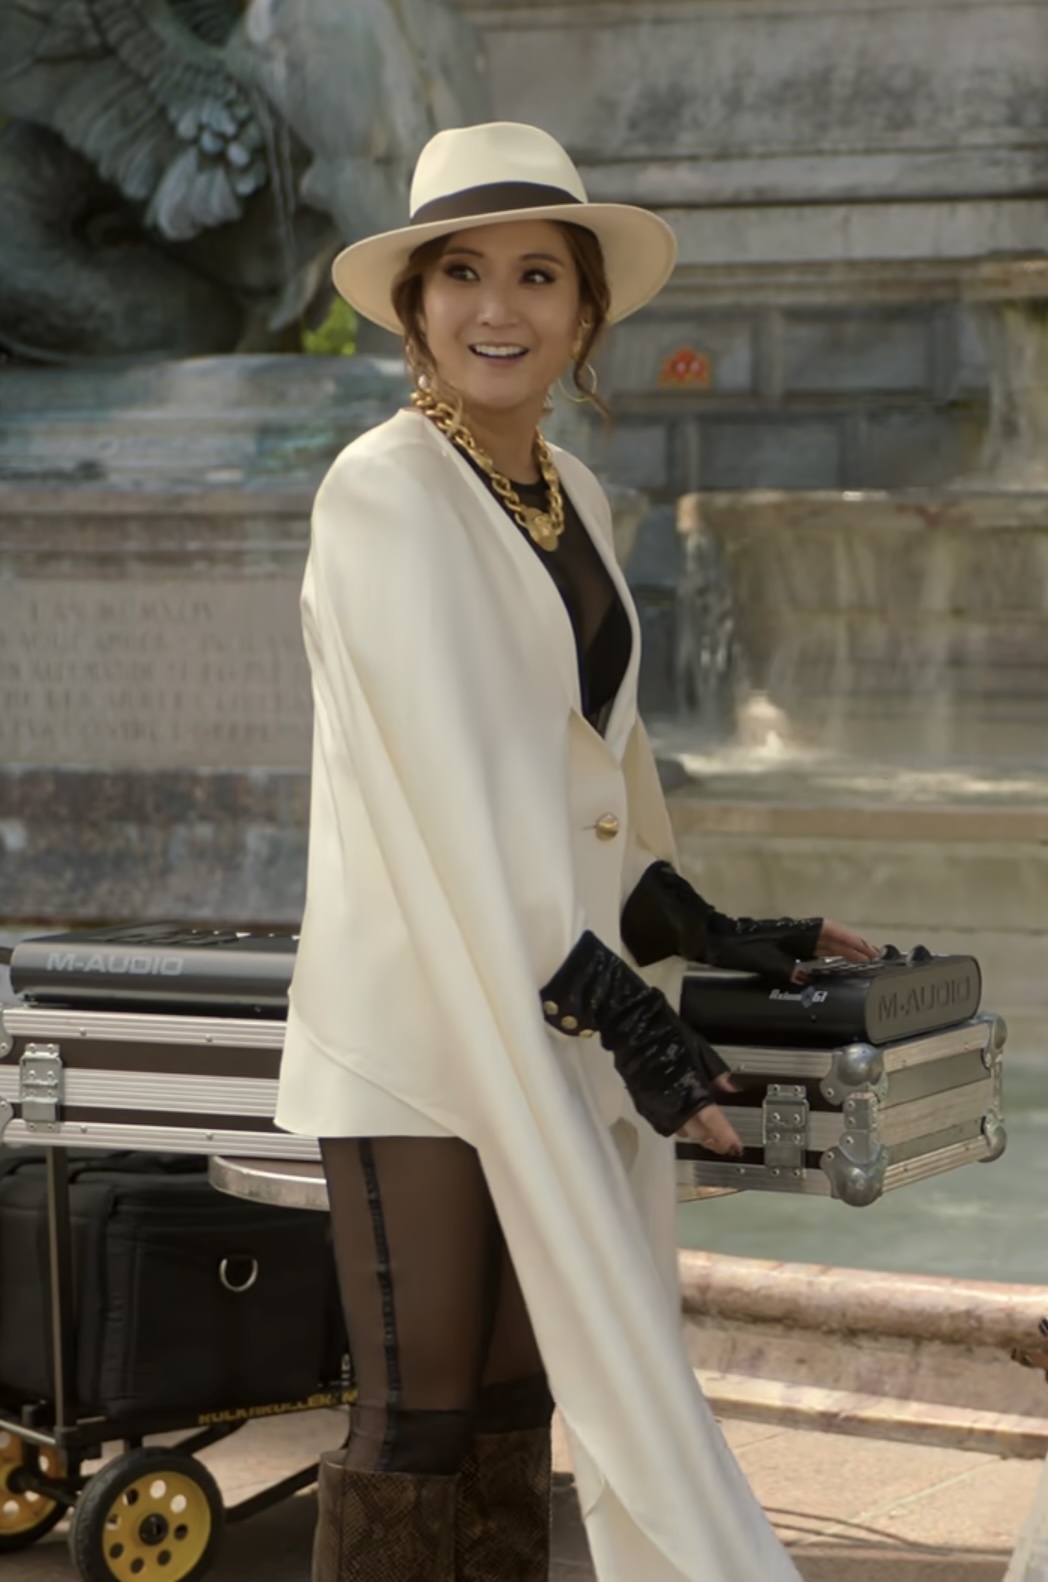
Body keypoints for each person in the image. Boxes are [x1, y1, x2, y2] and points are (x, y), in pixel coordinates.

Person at [276, 121, 877, 1582]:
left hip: (549, 1003)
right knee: (418, 1420)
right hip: (421, 1022)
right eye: (462, 274)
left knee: (514, 1406)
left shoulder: (576, 496)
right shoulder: (384, 488)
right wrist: (635, 1024)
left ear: (585, 312)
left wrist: (715, 930)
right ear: (416, 305)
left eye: (538, 275)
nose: (499, 307)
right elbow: (448, 798)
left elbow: (586, 777)